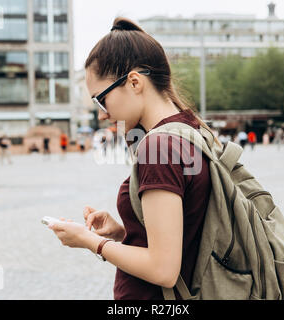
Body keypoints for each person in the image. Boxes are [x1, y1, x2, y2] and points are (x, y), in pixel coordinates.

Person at [47, 17, 217, 300]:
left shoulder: (158, 148)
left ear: (135, 82)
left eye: (101, 99)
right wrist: (126, 232)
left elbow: (163, 269)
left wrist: (92, 242)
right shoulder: (189, 129)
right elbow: (187, 233)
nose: (101, 113)